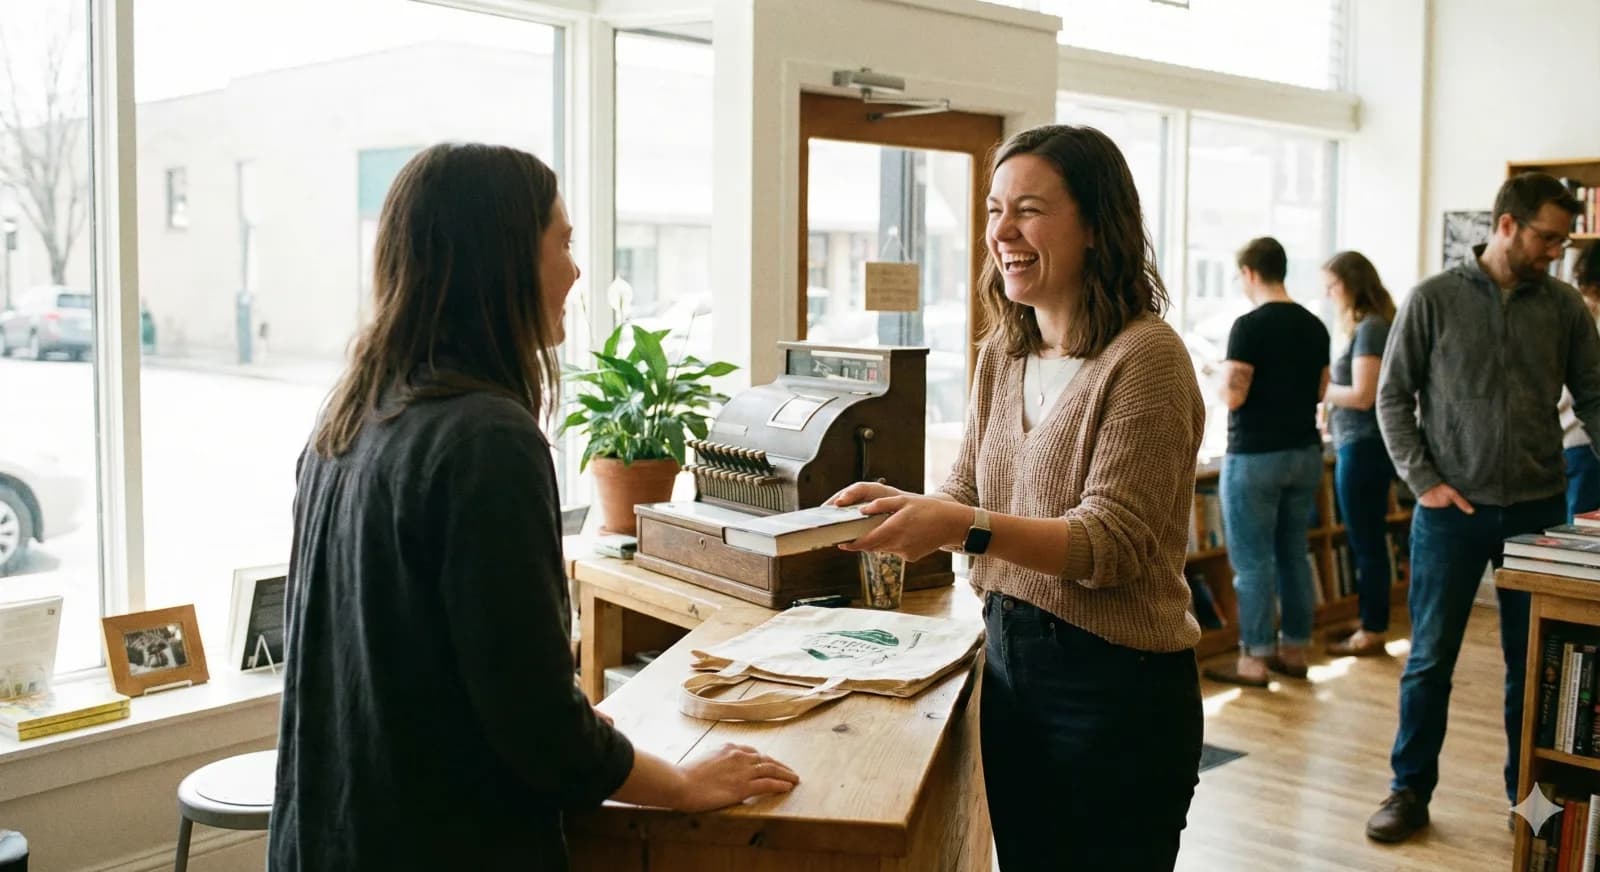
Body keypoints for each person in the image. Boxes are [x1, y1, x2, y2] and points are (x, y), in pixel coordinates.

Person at [269, 143, 798, 872]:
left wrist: (568, 724)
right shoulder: (485, 439)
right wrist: (679, 782)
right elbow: (536, 727)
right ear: (502, 256)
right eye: (563, 241)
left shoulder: (353, 416)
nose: (577, 270)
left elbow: (419, 666)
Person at [830, 124, 1205, 872]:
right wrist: (907, 508)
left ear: (1098, 227)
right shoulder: (1002, 352)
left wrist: (960, 526)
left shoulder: (1146, 358)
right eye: (995, 210)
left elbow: (1109, 544)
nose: (1002, 231)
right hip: (1009, 665)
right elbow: (969, 488)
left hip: (1117, 688)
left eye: (1028, 210)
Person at [1367, 173, 1598, 843]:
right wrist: (1423, 481)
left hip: (1539, 511)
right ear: (1506, 226)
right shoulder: (1433, 299)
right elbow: (1392, 397)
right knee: (1429, 660)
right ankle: (1409, 791)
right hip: (1449, 513)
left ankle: (1529, 797)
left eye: (1561, 238)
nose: (1557, 251)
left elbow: (1595, 397)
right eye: (1547, 237)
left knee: (1535, 665)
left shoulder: (1562, 307)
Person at [1202, 237, 1330, 687]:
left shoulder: (1248, 326)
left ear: (1250, 273)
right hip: (1305, 453)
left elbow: (1234, 396)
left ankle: (1253, 659)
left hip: (1255, 456)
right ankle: (1294, 651)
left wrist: (1217, 374)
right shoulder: (1316, 326)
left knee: (1253, 563)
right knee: (1293, 554)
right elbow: (1319, 391)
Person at [1320, 251, 1399, 657]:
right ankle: (1371, 620)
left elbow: (1364, 395)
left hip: (1363, 446)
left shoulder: (1370, 329)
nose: (1330, 294)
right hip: (1361, 444)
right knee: (1365, 538)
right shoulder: (1373, 326)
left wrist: (1320, 390)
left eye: (1333, 286)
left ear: (1350, 285)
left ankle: (1372, 628)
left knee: (1365, 539)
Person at [1559, 241, 1600, 521]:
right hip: (1586, 441)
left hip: (1574, 439)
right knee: (1582, 542)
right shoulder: (1587, 316)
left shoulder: (1572, 310)